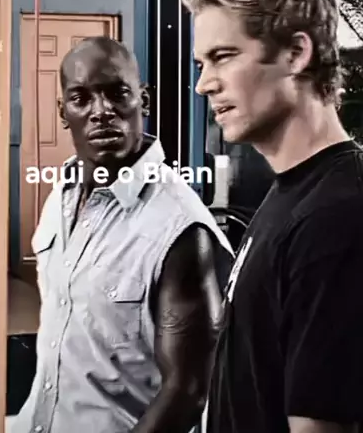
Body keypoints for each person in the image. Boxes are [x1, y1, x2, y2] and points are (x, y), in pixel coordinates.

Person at [12, 36, 234, 433]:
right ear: (63, 112)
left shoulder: (180, 230)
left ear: (143, 101)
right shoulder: (61, 196)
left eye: (117, 94)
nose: (101, 111)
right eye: (81, 98)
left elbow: (187, 391)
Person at [182, 0, 363, 432]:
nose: (203, 84)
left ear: (296, 53)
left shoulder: (337, 216)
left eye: (223, 56)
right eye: (201, 63)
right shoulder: (292, 193)